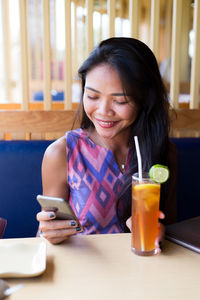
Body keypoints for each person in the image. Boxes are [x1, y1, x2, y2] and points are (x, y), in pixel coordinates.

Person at [36, 37, 177, 246]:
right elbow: (49, 235)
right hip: (85, 272)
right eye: (92, 96)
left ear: (145, 100)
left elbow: (171, 227)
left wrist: (160, 232)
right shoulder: (61, 153)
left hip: (145, 270)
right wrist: (49, 232)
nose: (103, 112)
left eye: (120, 101)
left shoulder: (164, 152)